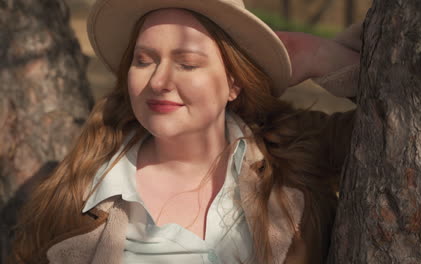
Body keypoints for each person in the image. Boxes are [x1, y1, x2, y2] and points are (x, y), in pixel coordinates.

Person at [11, 0, 360, 263]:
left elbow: (397, 127)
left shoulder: (294, 154)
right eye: (144, 60)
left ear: (234, 82)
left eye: (187, 64)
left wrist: (319, 55)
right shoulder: (77, 191)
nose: (159, 82)